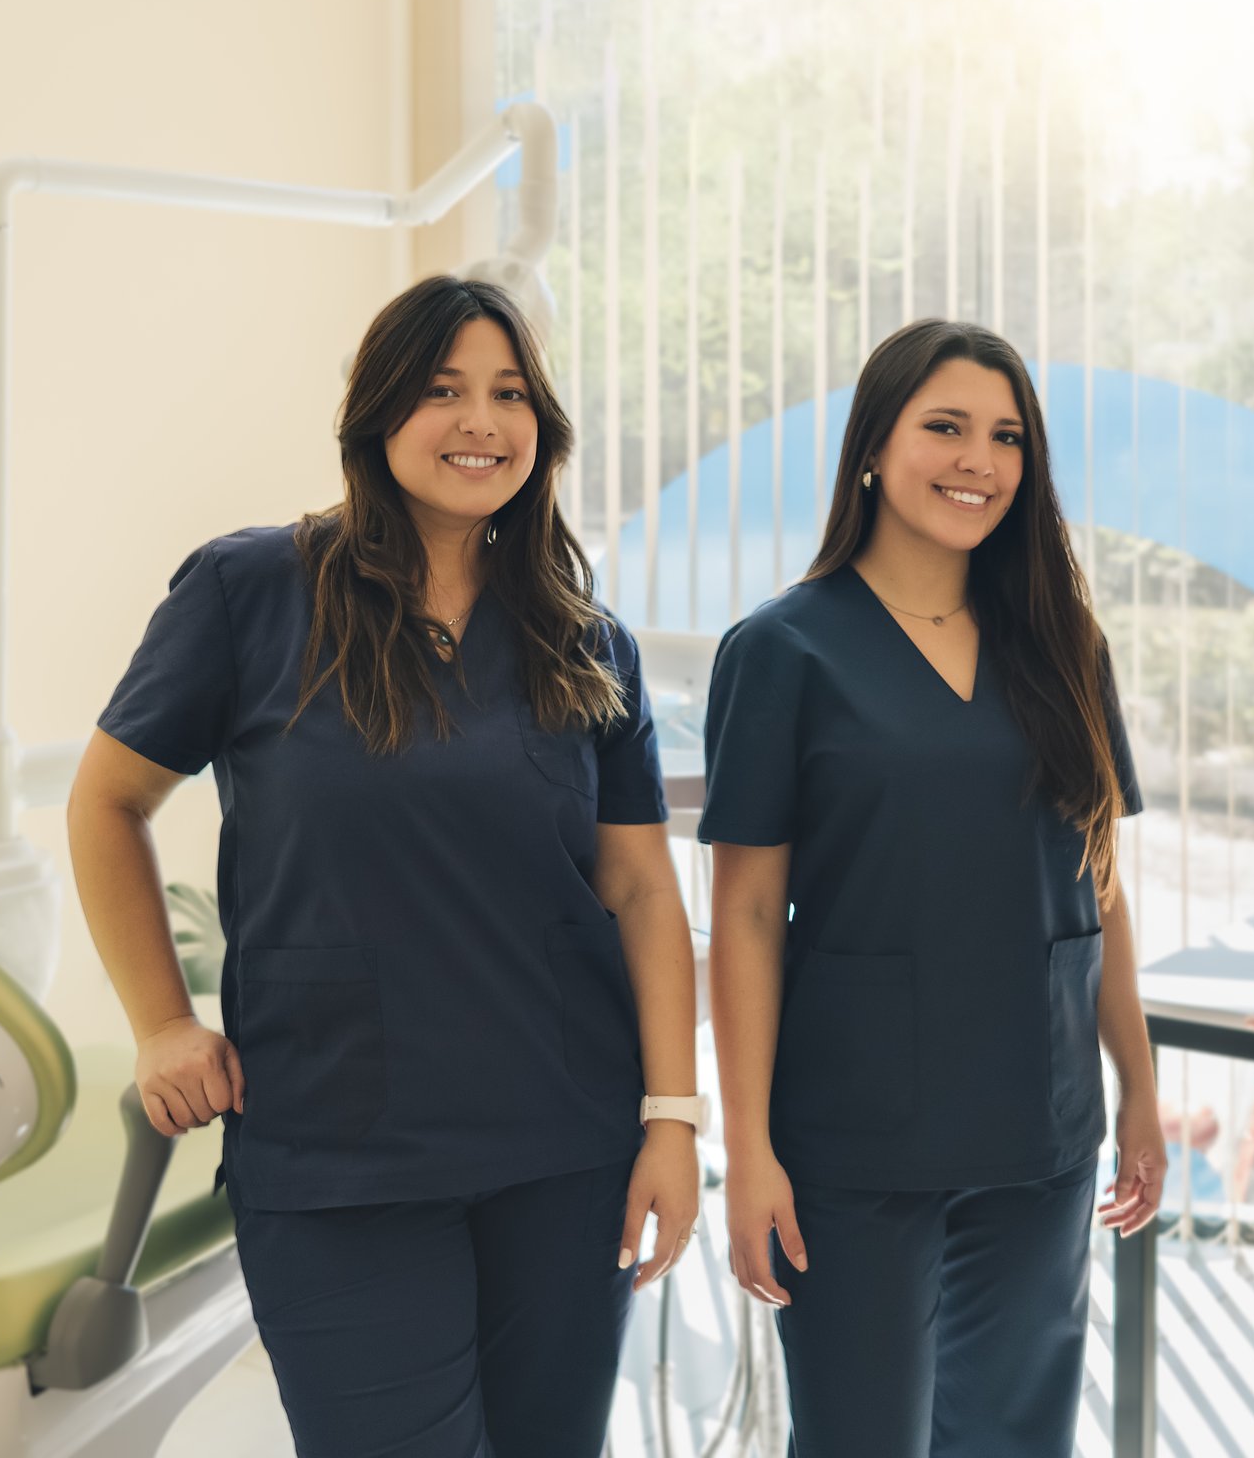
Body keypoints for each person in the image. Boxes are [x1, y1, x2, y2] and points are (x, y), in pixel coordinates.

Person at [67, 276, 702, 1457]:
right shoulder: (249, 592)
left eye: (510, 394)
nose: (481, 421)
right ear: (378, 413)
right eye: (444, 388)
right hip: (338, 1150)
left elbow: (639, 888)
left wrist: (673, 1118)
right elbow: (109, 801)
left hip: (563, 1146)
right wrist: (162, 1024)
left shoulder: (582, 637)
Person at [701, 319, 1165, 1457]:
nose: (979, 460)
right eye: (945, 427)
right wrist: (747, 1148)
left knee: (1017, 1437)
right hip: (857, 1145)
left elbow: (1098, 880)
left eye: (1006, 436)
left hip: (1039, 1132)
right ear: (874, 446)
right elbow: (748, 917)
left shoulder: (1061, 645)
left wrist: (1139, 1085)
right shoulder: (782, 652)